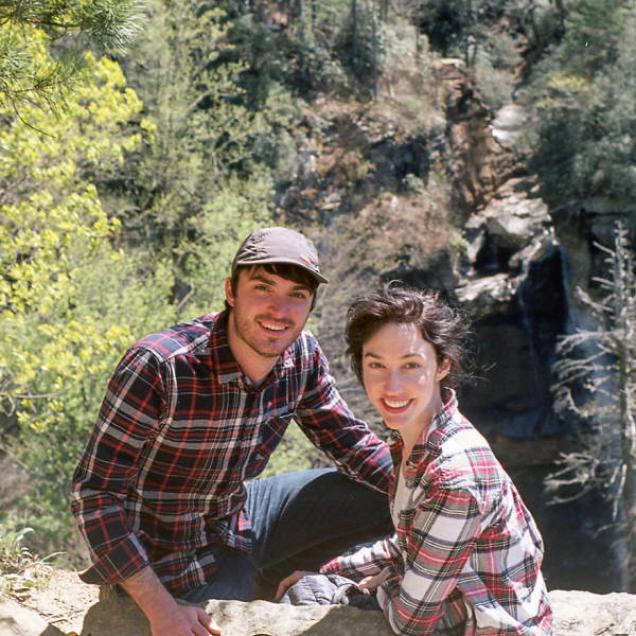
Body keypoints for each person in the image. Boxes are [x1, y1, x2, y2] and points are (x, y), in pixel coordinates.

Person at [70, 227, 392, 636]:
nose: (279, 309)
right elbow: (94, 492)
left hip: (236, 514)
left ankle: (299, 580)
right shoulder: (161, 367)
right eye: (263, 288)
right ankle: (266, 591)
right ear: (230, 291)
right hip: (169, 555)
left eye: (296, 294)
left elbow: (355, 445)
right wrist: (160, 608)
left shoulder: (302, 355)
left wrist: (458, 491)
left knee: (392, 494)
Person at [277, 283, 553, 635]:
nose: (391, 386)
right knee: (311, 588)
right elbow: (408, 543)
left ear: (442, 365)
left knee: (308, 601)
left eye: (410, 365)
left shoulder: (454, 475)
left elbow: (411, 621)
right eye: (376, 365)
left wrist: (370, 584)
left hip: (483, 628)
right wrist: (333, 572)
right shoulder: (420, 440)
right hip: (462, 612)